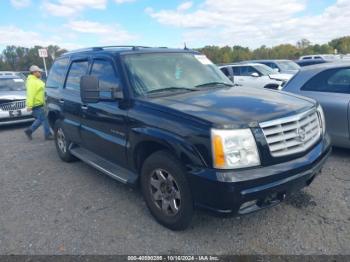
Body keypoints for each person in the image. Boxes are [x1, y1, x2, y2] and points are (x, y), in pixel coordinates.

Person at [24, 65, 53, 140]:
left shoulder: (36, 80)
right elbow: (30, 94)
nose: (40, 73)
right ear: (34, 72)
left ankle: (29, 131)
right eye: (39, 72)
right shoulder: (32, 82)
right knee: (44, 118)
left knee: (41, 119)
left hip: (40, 103)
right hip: (37, 104)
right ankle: (48, 134)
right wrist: (29, 106)